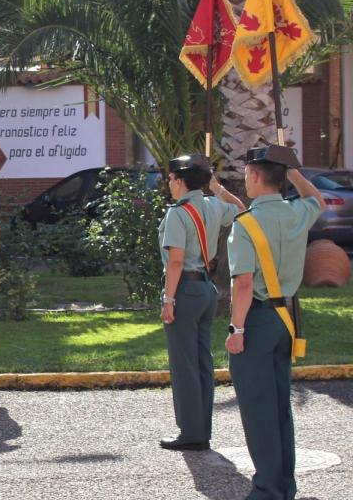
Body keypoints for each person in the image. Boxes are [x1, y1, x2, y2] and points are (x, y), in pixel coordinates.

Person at [226, 145, 324, 500]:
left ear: (253, 176)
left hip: (257, 320)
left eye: (246, 173)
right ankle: (285, 485)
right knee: (280, 406)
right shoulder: (297, 212)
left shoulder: (247, 223)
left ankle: (267, 489)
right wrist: (293, 168)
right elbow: (318, 200)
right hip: (286, 321)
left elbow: (244, 283)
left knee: (257, 407)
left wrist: (236, 330)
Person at [157, 154, 243, 451]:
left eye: (170, 179)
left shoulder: (177, 213)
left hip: (185, 291)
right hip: (206, 290)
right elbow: (243, 211)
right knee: (202, 363)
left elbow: (176, 261)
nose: (169, 184)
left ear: (180, 181)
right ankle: (201, 429)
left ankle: (191, 433)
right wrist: (218, 189)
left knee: (184, 365)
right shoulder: (213, 205)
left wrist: (168, 300)